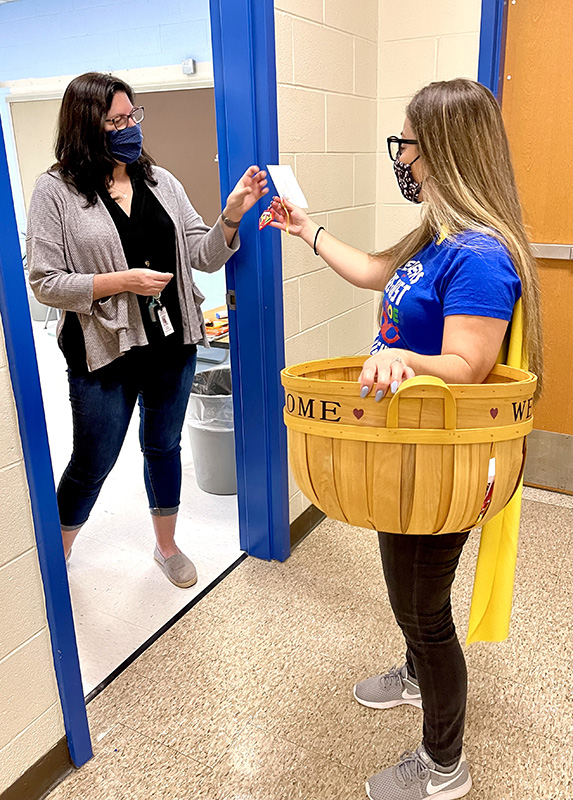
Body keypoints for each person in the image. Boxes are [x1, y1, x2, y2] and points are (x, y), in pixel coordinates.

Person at [268, 78, 542, 800]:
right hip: (407, 449)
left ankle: (443, 766)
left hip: (444, 460)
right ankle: (417, 677)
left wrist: (404, 359)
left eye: (408, 144)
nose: (401, 157)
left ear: (443, 151)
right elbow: (372, 272)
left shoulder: (479, 255)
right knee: (407, 587)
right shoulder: (435, 237)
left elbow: (466, 365)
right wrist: (305, 228)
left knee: (423, 607)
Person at [27, 72, 268, 588]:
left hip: (171, 343)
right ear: (84, 126)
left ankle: (166, 546)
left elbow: (201, 252)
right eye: (114, 120)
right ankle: (53, 560)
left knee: (163, 446)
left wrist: (230, 216)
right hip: (104, 352)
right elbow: (44, 282)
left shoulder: (160, 181)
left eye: (132, 116)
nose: (128, 128)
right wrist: (122, 282)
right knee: (93, 461)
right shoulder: (56, 191)